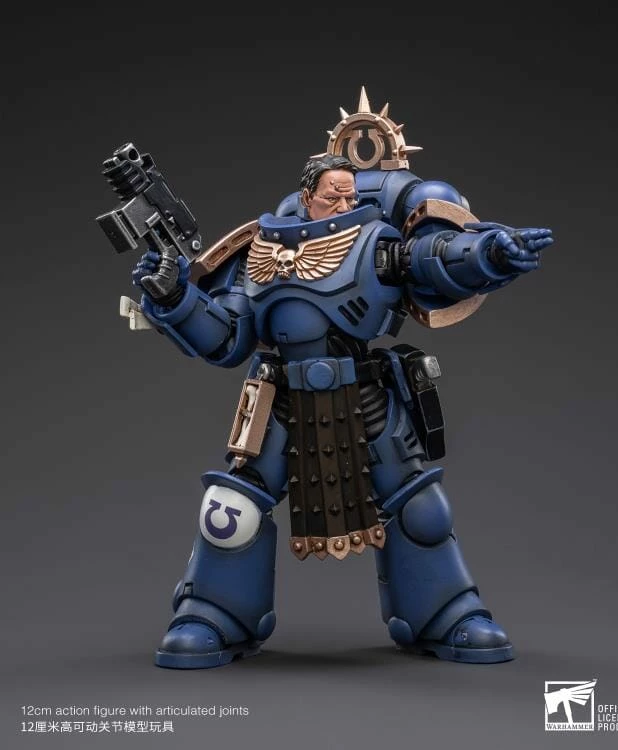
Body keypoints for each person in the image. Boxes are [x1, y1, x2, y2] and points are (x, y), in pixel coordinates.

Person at [128, 93, 553, 669]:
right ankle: (213, 614)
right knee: (232, 511)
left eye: (351, 194)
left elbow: (436, 257)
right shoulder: (262, 251)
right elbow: (227, 337)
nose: (346, 202)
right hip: (280, 401)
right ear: (306, 197)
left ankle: (447, 612)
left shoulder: (377, 244)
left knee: (420, 509)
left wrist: (490, 254)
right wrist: (175, 297)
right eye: (334, 194)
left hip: (365, 394)